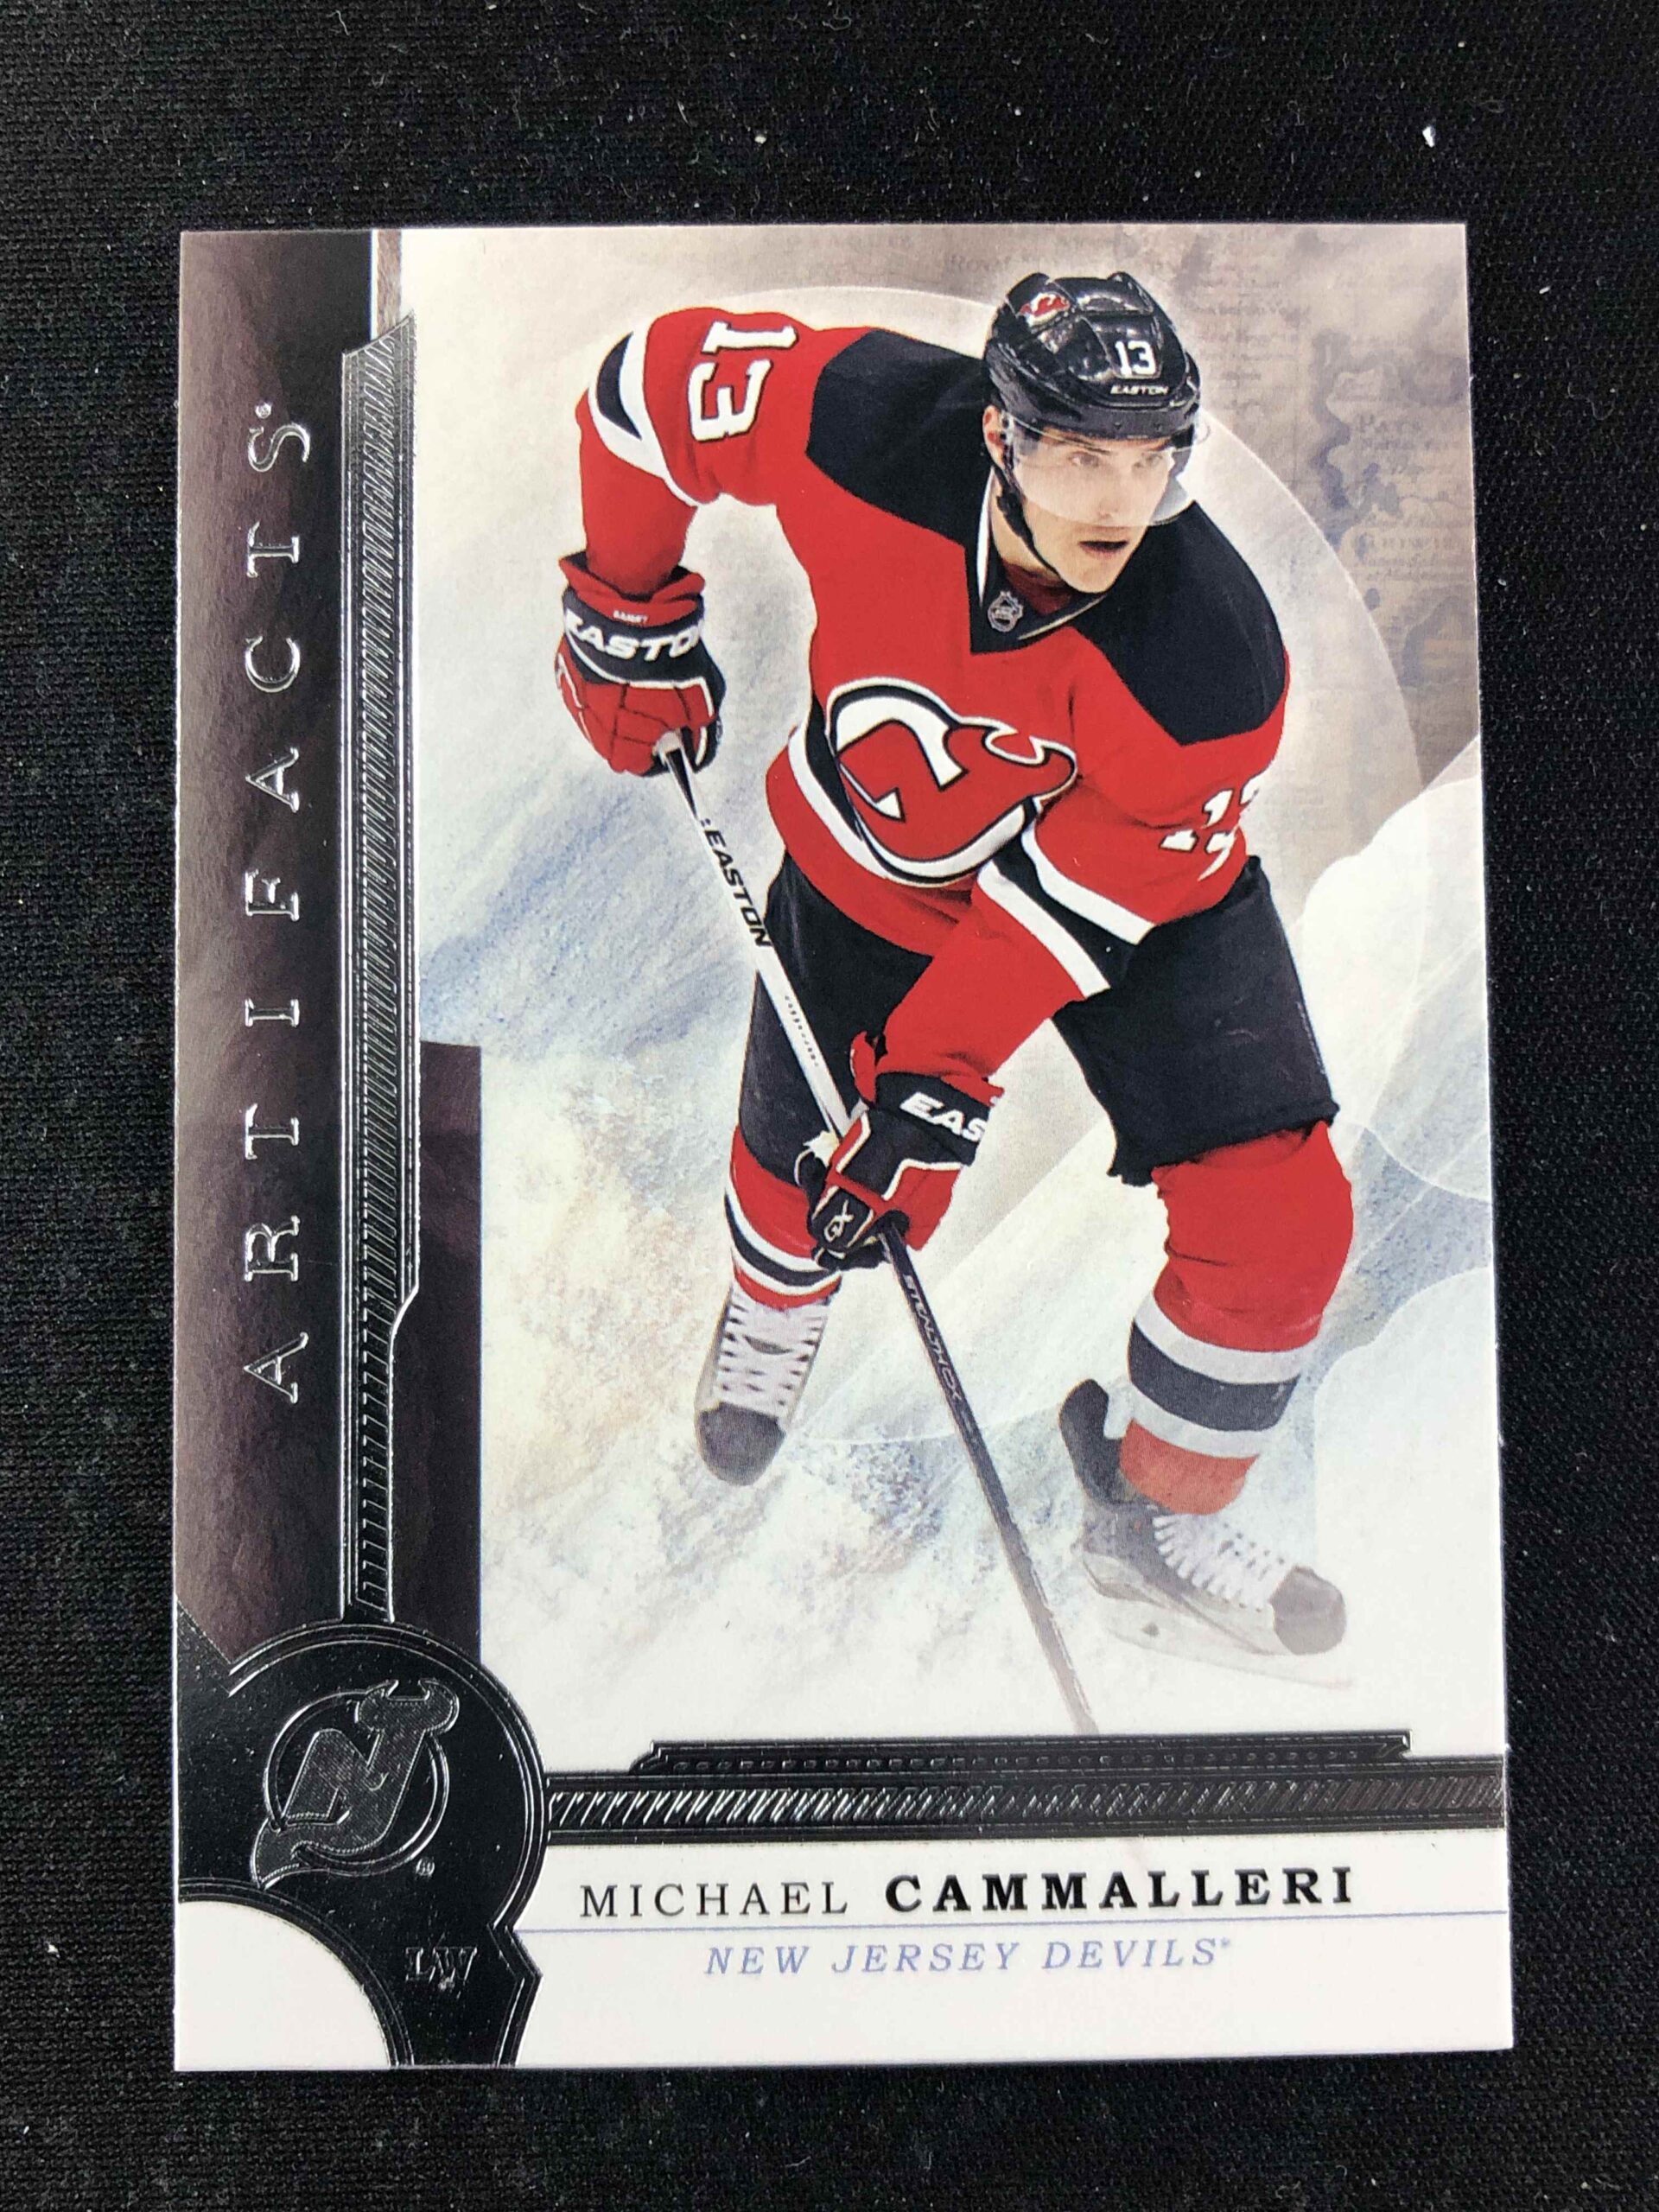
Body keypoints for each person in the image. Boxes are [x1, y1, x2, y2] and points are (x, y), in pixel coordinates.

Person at [556, 272, 1354, 1663]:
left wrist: (934, 1081)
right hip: (882, 862)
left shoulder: (1211, 664)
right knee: (802, 1180)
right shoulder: (859, 419)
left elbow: (1069, 910)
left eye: (1151, 460)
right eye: (1080, 455)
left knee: (1284, 1224)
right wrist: (626, 608)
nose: (1120, 503)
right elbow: (645, 392)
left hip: (1141, 902)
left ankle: (1153, 1522)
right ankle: (773, 1308)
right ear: (999, 432)